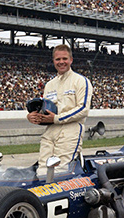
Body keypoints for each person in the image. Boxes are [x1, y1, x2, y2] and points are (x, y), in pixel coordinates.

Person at [27, 44, 93, 175]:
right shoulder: (50, 85)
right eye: (58, 59)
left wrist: (57, 118)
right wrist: (33, 117)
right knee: (42, 170)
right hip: (50, 131)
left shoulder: (81, 81)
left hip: (70, 130)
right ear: (53, 61)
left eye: (64, 59)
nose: (61, 62)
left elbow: (83, 109)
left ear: (71, 60)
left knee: (60, 171)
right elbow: (46, 111)